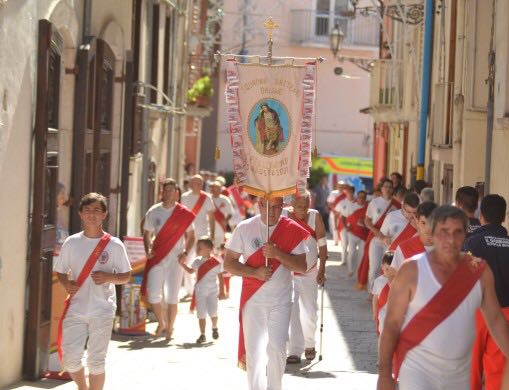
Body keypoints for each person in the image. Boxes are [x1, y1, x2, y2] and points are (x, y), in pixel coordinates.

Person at [377, 206, 509, 390]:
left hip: (460, 376)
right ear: (434, 233)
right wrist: (384, 375)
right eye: (444, 231)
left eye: (457, 232)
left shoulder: (479, 271)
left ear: (466, 235)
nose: (451, 239)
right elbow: (391, 324)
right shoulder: (411, 270)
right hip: (417, 371)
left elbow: (495, 321)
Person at [224, 197, 309, 390]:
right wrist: (254, 273)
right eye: (269, 206)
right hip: (253, 299)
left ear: (283, 208)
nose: (273, 212)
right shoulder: (244, 228)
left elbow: (303, 266)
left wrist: (277, 254)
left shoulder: (291, 229)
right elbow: (229, 263)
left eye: (278, 207)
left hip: (281, 299)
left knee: (278, 348)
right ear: (259, 205)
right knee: (254, 352)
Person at [55, 193, 131, 390]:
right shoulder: (71, 242)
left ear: (104, 214)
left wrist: (108, 278)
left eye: (97, 210)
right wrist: (66, 284)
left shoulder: (114, 245)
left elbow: (126, 275)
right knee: (71, 359)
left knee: (96, 361)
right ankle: (83, 387)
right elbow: (60, 271)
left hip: (103, 309)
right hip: (76, 308)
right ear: (80, 213)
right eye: (87, 210)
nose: (92, 214)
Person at [465, 194, 509, 390]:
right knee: (497, 371)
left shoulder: (472, 243)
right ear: (504, 216)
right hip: (506, 315)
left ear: (480, 215)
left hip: (477, 313)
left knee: (470, 369)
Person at [142, 179, 195, 339]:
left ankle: (170, 328)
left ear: (177, 193)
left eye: (172, 190)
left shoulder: (183, 213)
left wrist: (185, 253)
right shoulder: (154, 211)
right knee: (153, 294)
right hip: (158, 257)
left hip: (176, 259)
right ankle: (161, 322)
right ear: (162, 192)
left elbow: (191, 236)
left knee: (172, 295)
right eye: (166, 190)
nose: (169, 193)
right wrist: (147, 250)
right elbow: (146, 234)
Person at [283, 192, 327, 363]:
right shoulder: (285, 215)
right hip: (289, 272)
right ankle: (294, 351)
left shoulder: (315, 216)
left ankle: (310, 343)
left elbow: (322, 245)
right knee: (292, 311)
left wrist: (322, 270)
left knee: (310, 311)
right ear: (292, 204)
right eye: (300, 206)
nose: (303, 209)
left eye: (306, 205)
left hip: (310, 272)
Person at [179, 237, 225, 343]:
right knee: (201, 313)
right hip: (200, 291)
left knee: (213, 312)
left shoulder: (216, 262)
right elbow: (191, 271)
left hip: (212, 291)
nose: (197, 249)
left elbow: (221, 277)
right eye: (197, 247)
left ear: (209, 248)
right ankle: (202, 334)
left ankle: (214, 327)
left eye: (200, 247)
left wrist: (222, 291)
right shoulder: (197, 261)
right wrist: (182, 265)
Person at [357, 179, 400, 291]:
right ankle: (372, 292)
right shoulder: (374, 203)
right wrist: (377, 232)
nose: (388, 189)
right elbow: (367, 221)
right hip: (375, 239)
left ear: (392, 189)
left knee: (388, 268)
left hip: (390, 240)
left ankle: (383, 292)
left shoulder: (397, 205)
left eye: (390, 187)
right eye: (385, 186)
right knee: (374, 267)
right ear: (381, 188)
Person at [181, 175, 216, 298]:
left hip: (202, 235)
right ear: (190, 184)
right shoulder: (184, 197)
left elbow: (212, 218)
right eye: (194, 182)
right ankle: (189, 291)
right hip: (188, 235)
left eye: (199, 183)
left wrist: (212, 236)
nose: (197, 185)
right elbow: (180, 215)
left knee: (201, 263)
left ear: (202, 185)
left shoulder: (206, 198)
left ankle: (200, 289)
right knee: (188, 260)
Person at [391, 201, 437, 271]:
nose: (428, 229)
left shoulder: (448, 249)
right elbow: (393, 278)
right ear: (417, 221)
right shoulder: (403, 249)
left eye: (433, 223)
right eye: (423, 223)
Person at [344, 190, 369, 277]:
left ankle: (359, 271)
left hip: (364, 234)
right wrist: (346, 226)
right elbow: (344, 217)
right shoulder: (351, 206)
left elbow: (371, 221)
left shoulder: (368, 208)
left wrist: (365, 223)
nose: (361, 199)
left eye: (363, 197)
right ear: (357, 198)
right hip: (353, 233)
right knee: (352, 253)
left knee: (361, 254)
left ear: (365, 199)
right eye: (360, 197)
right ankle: (350, 270)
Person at [372, 251, 395, 336]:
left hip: (395, 312)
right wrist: (375, 312)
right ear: (382, 267)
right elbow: (375, 298)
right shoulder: (378, 281)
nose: (389, 272)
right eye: (387, 269)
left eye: (391, 269)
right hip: (382, 312)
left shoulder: (399, 280)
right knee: (382, 332)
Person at [335, 185, 357, 265]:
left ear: (354, 192)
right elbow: (336, 214)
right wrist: (335, 225)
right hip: (343, 225)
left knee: (352, 245)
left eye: (351, 192)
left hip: (354, 226)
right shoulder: (342, 202)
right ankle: (343, 260)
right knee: (344, 244)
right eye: (348, 192)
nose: (350, 194)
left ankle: (351, 260)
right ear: (346, 193)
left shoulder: (357, 202)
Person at [209, 181, 234, 248]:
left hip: (221, 226)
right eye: (213, 188)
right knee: (209, 245)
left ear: (220, 189)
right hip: (209, 226)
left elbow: (230, 213)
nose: (214, 189)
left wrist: (225, 220)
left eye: (216, 188)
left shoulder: (225, 199)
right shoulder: (208, 198)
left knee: (219, 246)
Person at [327, 180, 347, 247]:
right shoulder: (333, 193)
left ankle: (342, 240)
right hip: (334, 213)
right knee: (335, 226)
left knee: (342, 226)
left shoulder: (346, 194)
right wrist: (335, 211)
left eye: (342, 186)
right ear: (337, 186)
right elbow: (329, 203)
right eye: (339, 186)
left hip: (343, 214)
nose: (341, 187)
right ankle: (336, 241)